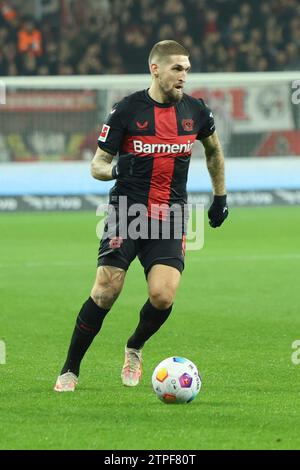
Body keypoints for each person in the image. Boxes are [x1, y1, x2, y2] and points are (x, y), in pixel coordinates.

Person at [54, 40, 228, 392]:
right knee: (106, 289)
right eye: (177, 69)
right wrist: (118, 170)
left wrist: (220, 196)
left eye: (187, 69)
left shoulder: (197, 112)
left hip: (171, 215)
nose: (184, 76)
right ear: (156, 69)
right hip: (127, 213)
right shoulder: (127, 111)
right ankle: (70, 369)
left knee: (163, 296)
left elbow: (213, 153)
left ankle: (134, 347)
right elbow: (97, 165)